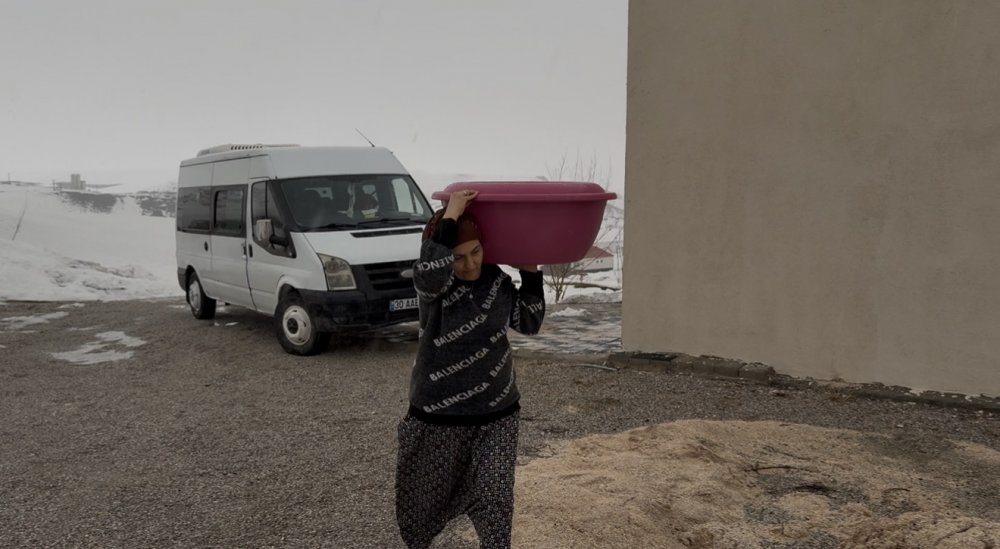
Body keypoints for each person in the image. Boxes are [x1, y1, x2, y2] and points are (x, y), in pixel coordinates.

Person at [395, 189, 545, 549]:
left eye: (475, 252)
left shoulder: (496, 281)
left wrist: (530, 274)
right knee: (421, 511)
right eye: (458, 257)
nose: (470, 264)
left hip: (497, 413)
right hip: (439, 414)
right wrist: (451, 214)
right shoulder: (434, 287)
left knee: (495, 499)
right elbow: (431, 273)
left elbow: (528, 322)